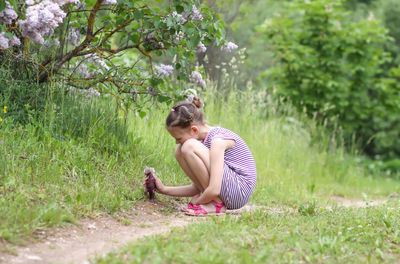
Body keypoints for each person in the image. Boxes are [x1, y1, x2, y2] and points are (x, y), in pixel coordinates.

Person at [151, 96, 257, 216]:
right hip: (230, 190)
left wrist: (199, 201)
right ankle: (215, 203)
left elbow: (214, 189)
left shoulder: (217, 141)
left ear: (194, 130)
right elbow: (198, 188)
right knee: (179, 150)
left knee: (188, 146)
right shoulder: (202, 143)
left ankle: (216, 204)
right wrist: (164, 189)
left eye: (178, 138)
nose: (176, 141)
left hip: (239, 189)